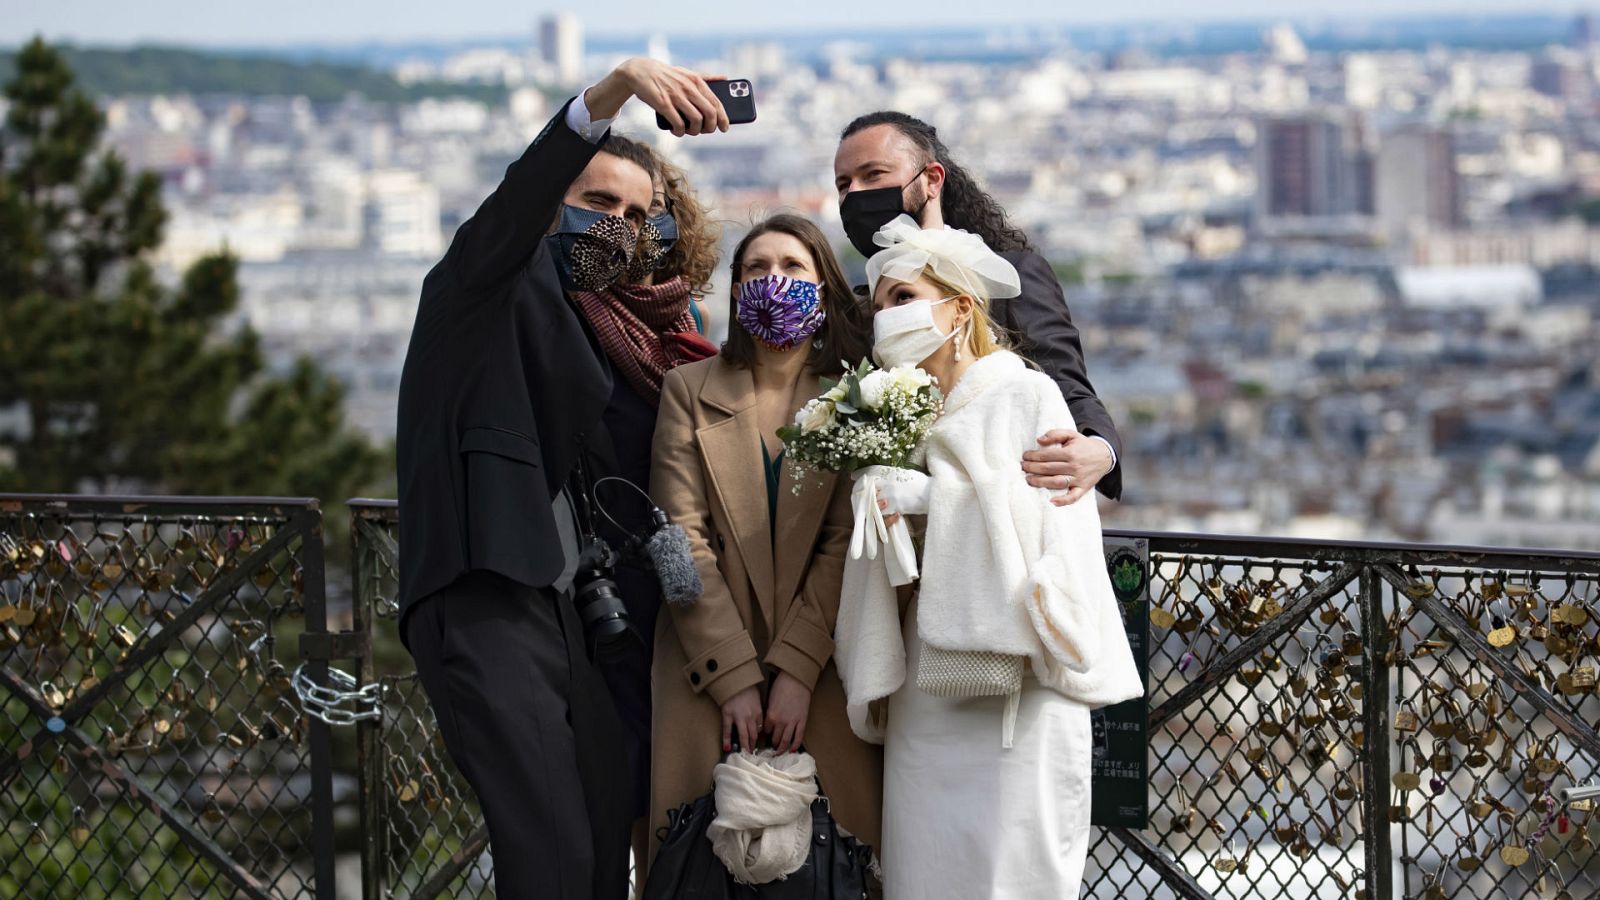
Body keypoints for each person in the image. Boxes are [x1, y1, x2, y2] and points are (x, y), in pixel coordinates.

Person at [394, 56, 731, 900]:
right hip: (486, 588)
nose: (616, 225)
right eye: (597, 202)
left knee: (599, 840)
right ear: (553, 206)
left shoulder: (606, 326)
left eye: (636, 215)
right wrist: (613, 91)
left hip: (569, 610)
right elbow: (518, 202)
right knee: (550, 854)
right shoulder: (482, 285)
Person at [836, 215, 1143, 898]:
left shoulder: (1026, 392)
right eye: (879, 303)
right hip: (928, 682)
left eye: (904, 297)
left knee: (1012, 871)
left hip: (1020, 685)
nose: (886, 316)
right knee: (923, 871)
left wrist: (933, 499)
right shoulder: (898, 410)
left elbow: (1057, 520)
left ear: (960, 308)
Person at [647, 214, 883, 879]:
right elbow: (678, 538)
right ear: (735, 288)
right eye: (756, 268)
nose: (773, 280)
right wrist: (732, 676)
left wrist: (797, 672)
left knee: (833, 870)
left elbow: (846, 542)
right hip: (703, 669)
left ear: (824, 286)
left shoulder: (855, 396)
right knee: (698, 870)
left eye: (792, 267)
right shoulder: (687, 390)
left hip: (824, 666)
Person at [834, 112, 1124, 506]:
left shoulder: (1008, 277)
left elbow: (1065, 381)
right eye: (844, 184)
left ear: (932, 180)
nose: (855, 194)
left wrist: (1099, 449)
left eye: (873, 175)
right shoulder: (860, 308)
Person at [569, 139, 722, 876]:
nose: (633, 226)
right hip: (599, 582)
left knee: (673, 781)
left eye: (650, 212)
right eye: (611, 208)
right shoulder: (573, 309)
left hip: (681, 579)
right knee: (618, 778)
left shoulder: (680, 319)